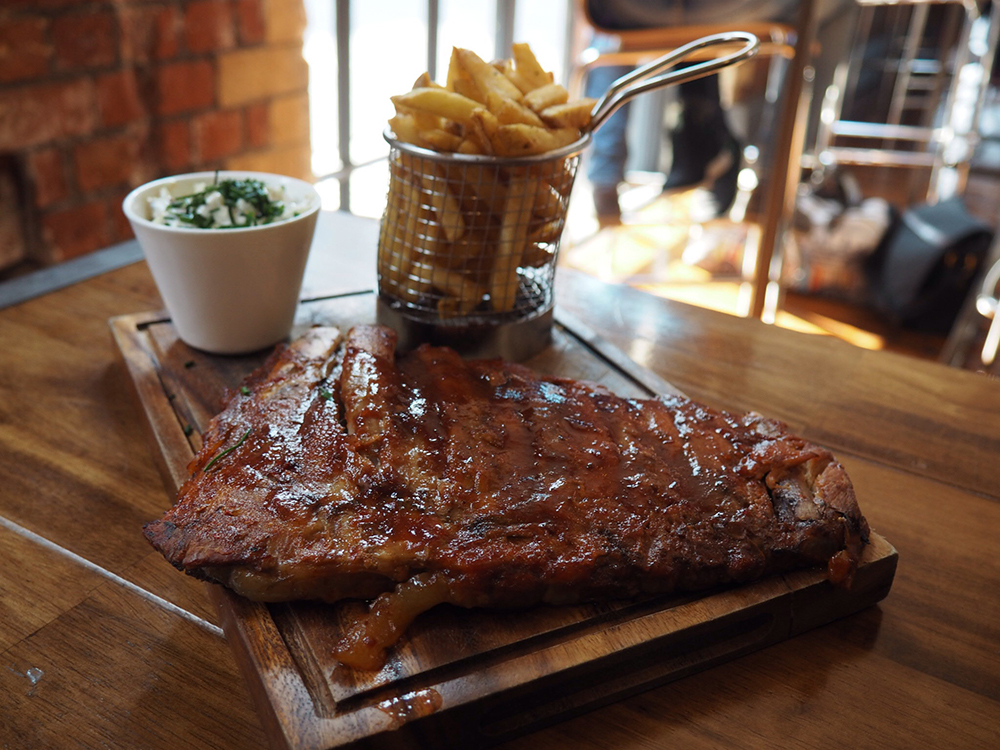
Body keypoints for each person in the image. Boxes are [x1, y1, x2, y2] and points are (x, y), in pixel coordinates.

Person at [583, 0, 855, 225]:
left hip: (626, 10)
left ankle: (604, 179)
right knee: (837, 5)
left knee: (608, 30)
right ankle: (771, 185)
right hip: (719, 9)